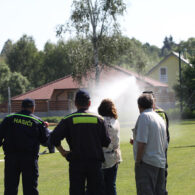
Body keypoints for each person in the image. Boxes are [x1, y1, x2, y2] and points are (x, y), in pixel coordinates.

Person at [50, 89, 111, 195]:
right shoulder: (99, 119)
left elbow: (54, 137)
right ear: (90, 103)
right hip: (95, 162)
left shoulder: (68, 119)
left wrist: (63, 151)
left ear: (75, 103)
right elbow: (106, 142)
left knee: (76, 191)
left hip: (76, 162)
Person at [0, 98, 49, 195]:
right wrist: (45, 128)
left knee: (10, 188)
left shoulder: (9, 118)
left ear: (21, 107)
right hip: (29, 159)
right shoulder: (37, 121)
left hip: (11, 158)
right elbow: (45, 141)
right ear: (33, 108)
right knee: (30, 189)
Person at [133, 94, 167, 195]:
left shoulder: (144, 117)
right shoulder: (159, 118)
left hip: (147, 163)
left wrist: (138, 161)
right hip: (160, 162)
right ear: (153, 104)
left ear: (139, 106)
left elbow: (142, 142)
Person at [143, 90, 170, 195]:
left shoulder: (147, 114)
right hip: (162, 150)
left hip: (150, 151)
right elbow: (167, 134)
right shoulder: (163, 112)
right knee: (162, 176)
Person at [98, 99, 122, 195]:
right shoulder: (116, 121)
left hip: (102, 157)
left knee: (101, 186)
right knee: (111, 185)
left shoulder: (100, 121)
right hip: (114, 156)